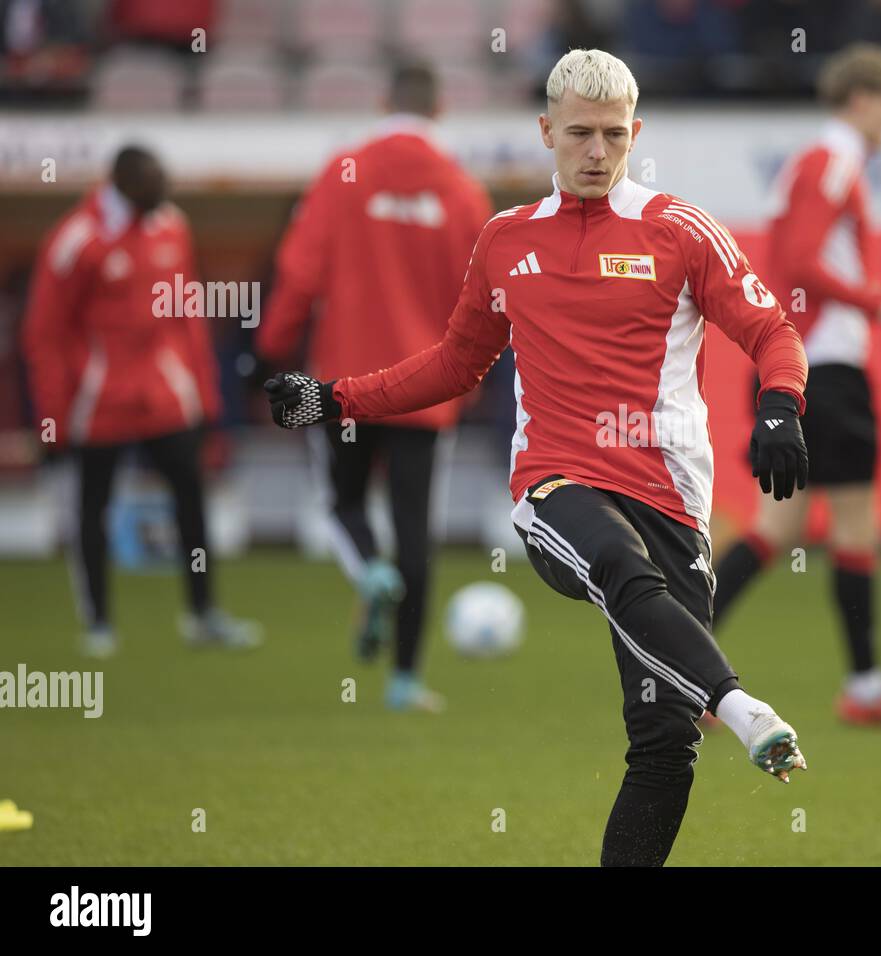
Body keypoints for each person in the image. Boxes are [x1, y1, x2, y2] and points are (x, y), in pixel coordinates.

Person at [264, 48, 809, 867]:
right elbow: (454, 363)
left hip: (671, 496)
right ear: (546, 131)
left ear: (636, 135)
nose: (597, 151)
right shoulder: (504, 240)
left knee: (663, 746)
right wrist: (335, 397)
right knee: (622, 569)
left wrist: (779, 405)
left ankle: (706, 717)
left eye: (615, 136)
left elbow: (772, 331)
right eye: (580, 134)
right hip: (557, 483)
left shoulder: (682, 231)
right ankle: (740, 706)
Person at [709, 44, 881, 731]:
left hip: (792, 369)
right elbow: (802, 261)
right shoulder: (834, 160)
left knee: (776, 528)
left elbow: (789, 262)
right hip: (827, 369)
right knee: (859, 526)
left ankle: (677, 670)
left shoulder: (813, 163)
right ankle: (866, 690)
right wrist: (877, 302)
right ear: (862, 98)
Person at [257, 64, 492, 713]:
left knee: (342, 503)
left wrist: (271, 351)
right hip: (426, 388)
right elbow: (484, 301)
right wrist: (466, 385)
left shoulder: (344, 172)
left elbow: (299, 271)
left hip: (345, 384)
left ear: (385, 100)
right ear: (440, 108)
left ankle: (369, 571)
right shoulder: (463, 190)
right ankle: (405, 681)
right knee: (416, 527)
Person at [22, 145, 259, 658]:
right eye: (152, 186)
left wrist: (206, 396)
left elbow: (189, 316)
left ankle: (203, 614)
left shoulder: (170, 225)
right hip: (100, 399)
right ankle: (98, 622)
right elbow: (44, 333)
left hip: (166, 395)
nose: (162, 196)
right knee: (93, 507)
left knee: (191, 499)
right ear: (125, 185)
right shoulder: (76, 240)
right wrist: (53, 417)